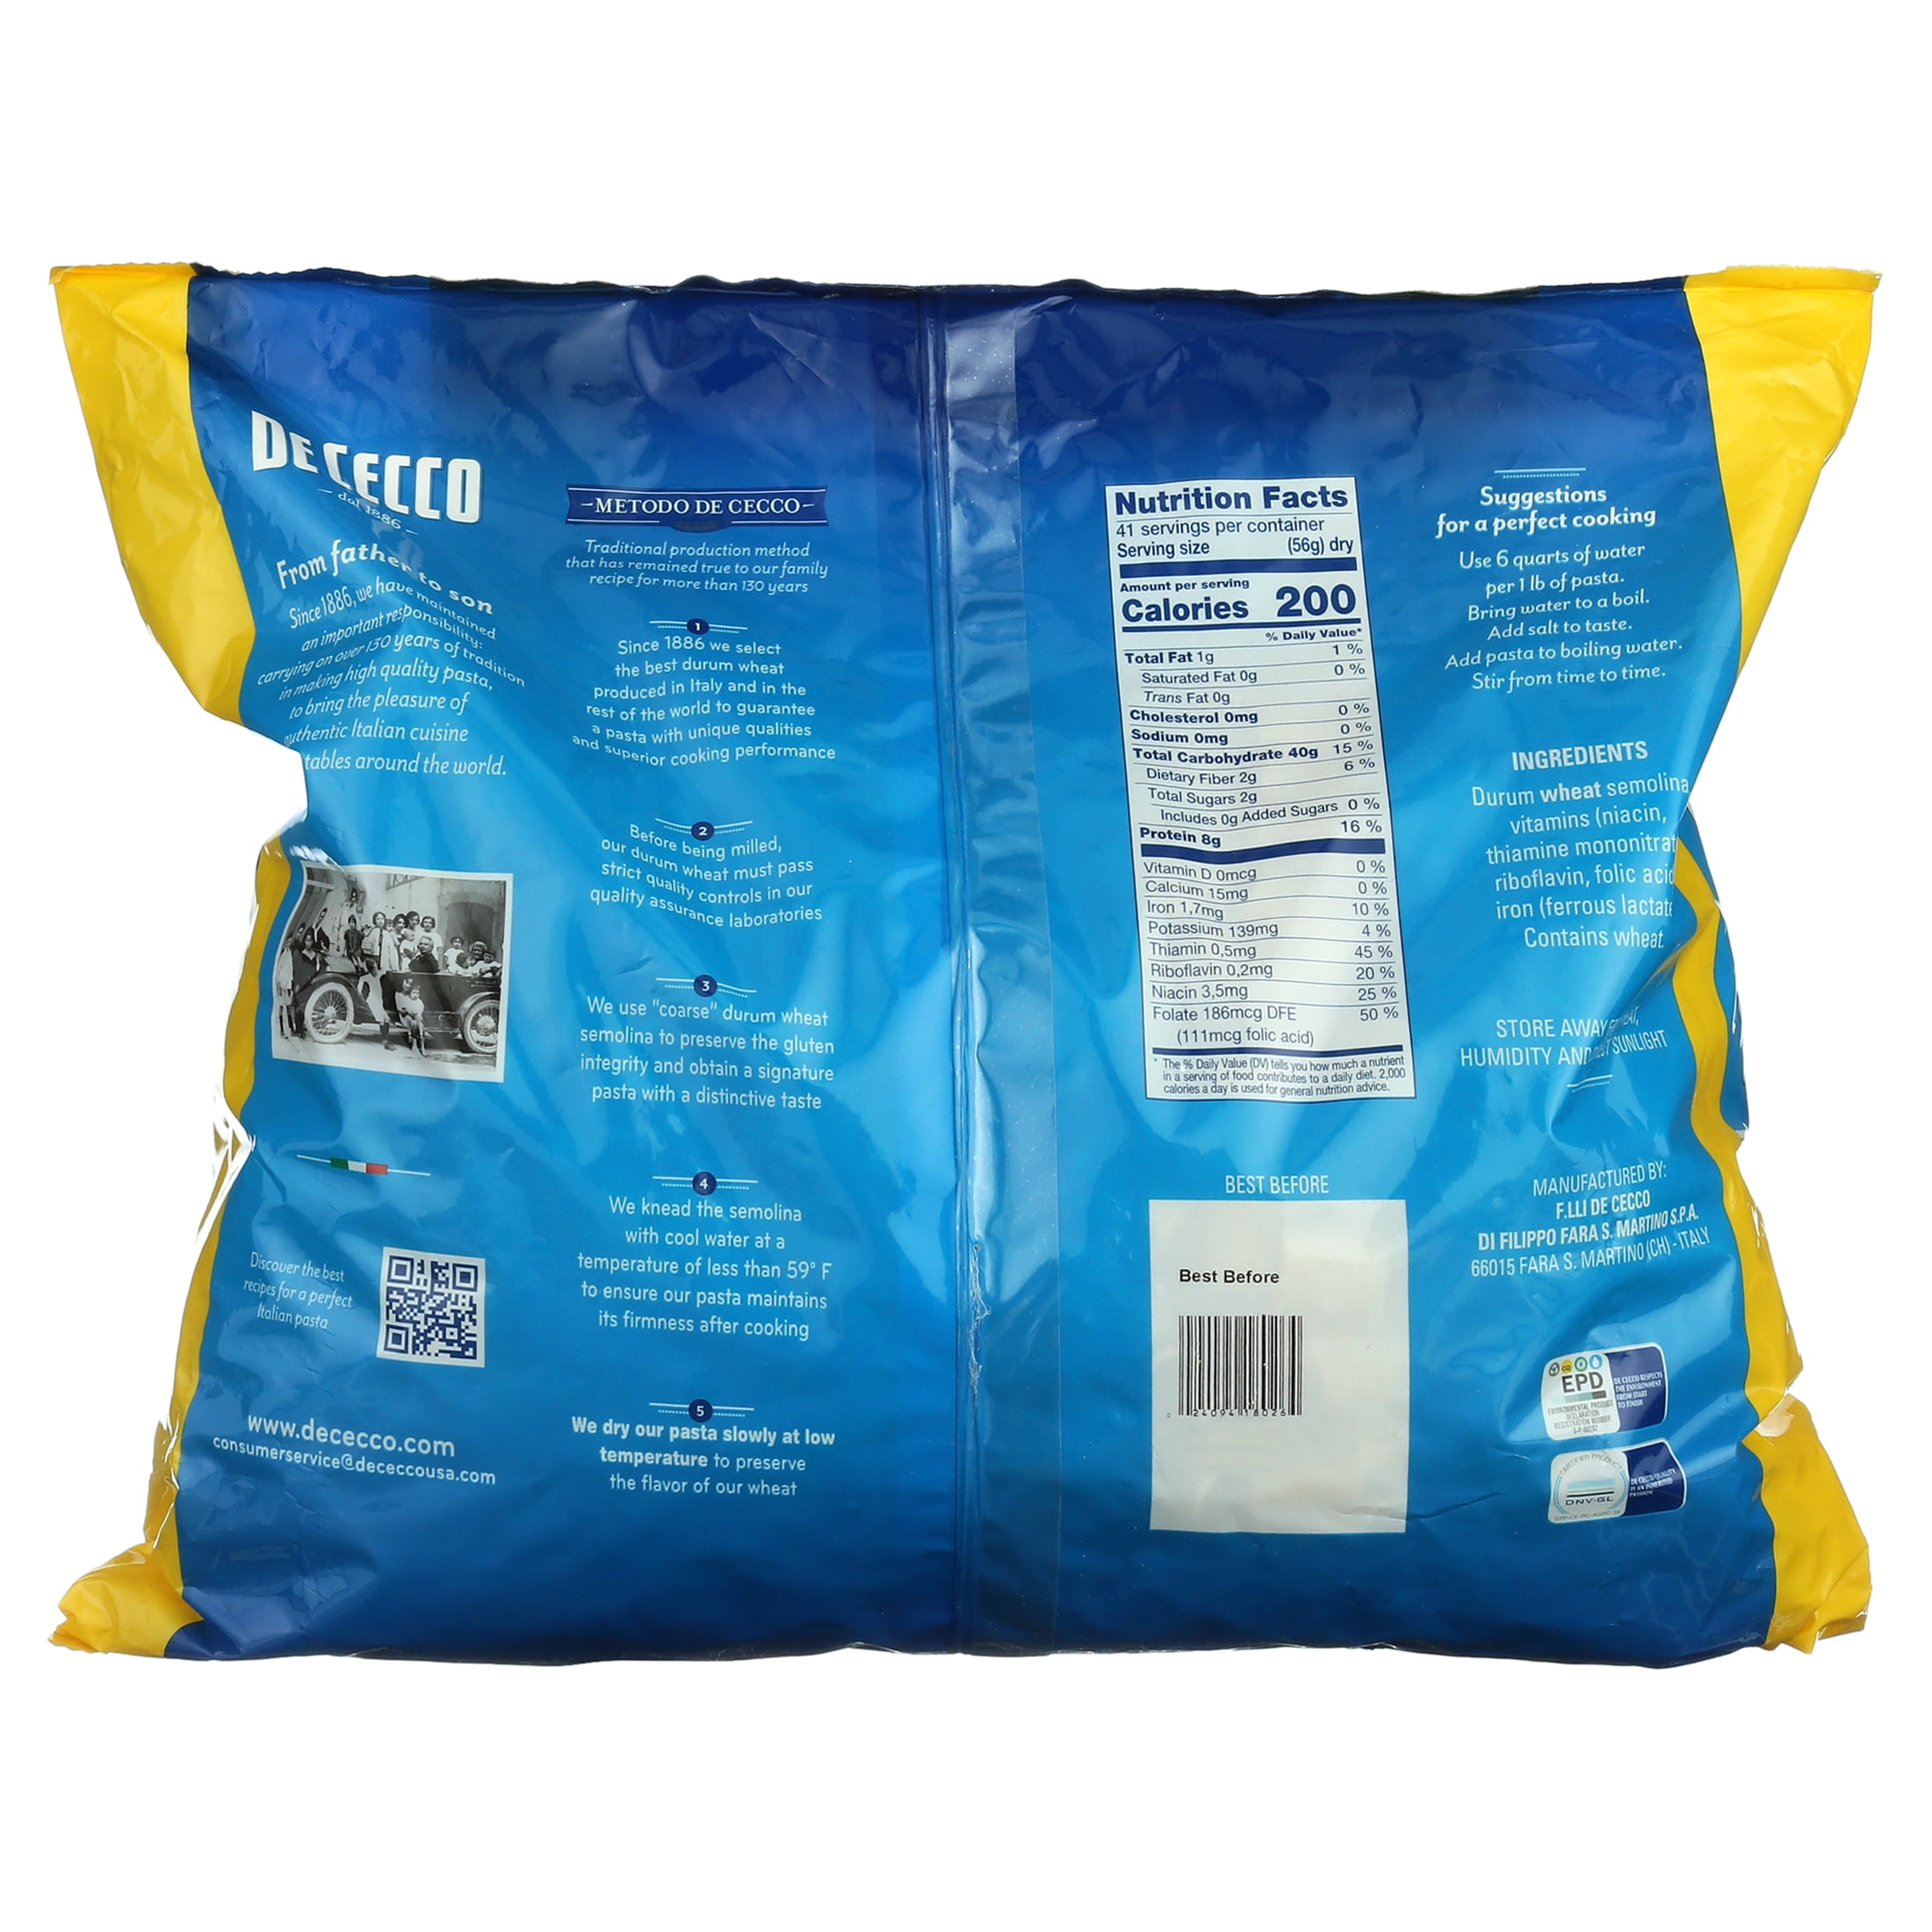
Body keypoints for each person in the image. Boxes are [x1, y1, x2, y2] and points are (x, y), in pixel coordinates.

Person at [393, 977, 429, 1057]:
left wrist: (418, 1015)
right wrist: (410, 1013)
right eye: (406, 982)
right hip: (405, 1017)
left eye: (410, 984)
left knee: (420, 1025)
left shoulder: (412, 996)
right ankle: (414, 1045)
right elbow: (401, 1010)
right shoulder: (399, 994)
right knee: (414, 1023)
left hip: (415, 1017)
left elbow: (419, 1006)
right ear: (402, 982)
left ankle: (422, 1046)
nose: (408, 985)